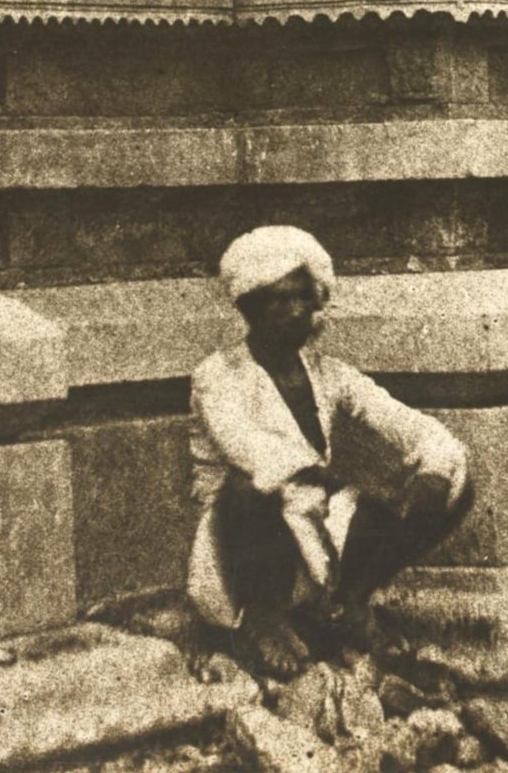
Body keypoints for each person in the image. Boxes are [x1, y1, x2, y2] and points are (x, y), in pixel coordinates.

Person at [188, 225, 474, 677]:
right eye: (280, 300)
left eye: (304, 297)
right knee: (248, 489)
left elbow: (406, 423)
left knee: (454, 484)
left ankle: (347, 605)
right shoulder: (217, 375)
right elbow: (249, 449)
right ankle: (264, 616)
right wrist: (337, 483)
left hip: (316, 521)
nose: (297, 311)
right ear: (249, 306)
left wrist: (432, 470)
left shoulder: (329, 374)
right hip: (250, 545)